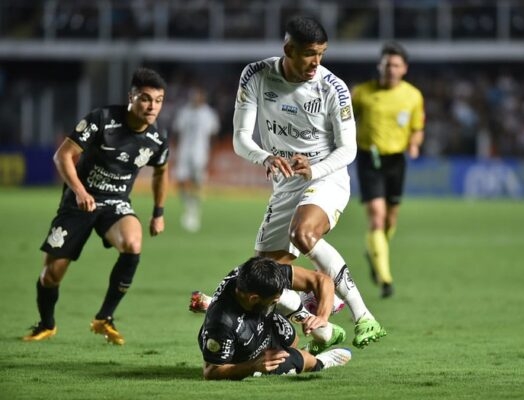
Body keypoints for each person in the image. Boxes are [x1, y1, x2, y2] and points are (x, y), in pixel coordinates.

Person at [232, 15, 386, 352]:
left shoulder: (333, 88)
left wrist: (314, 169)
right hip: (286, 183)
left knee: (303, 233)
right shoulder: (256, 75)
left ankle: (363, 316)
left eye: (322, 54)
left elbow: (348, 148)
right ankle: (319, 328)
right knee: (267, 276)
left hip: (325, 175)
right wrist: (266, 158)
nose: (316, 62)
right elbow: (241, 138)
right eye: (309, 54)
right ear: (288, 49)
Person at [22, 67, 169, 345]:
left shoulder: (157, 139)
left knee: (133, 243)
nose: (152, 106)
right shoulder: (102, 120)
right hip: (79, 204)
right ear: (131, 97)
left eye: (158, 100)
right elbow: (63, 155)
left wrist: (158, 213)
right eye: (146, 99)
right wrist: (78, 190)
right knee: (51, 275)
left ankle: (104, 318)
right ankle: (46, 324)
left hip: (115, 205)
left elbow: (161, 171)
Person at [198, 256, 351, 380]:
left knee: (291, 339)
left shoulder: (262, 273)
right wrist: (253, 365)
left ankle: (296, 352)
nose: (277, 301)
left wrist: (322, 316)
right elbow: (211, 372)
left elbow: (322, 280)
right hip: (241, 354)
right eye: (273, 300)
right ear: (254, 298)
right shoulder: (221, 323)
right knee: (305, 360)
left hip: (261, 321)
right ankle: (321, 362)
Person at [351, 41, 425, 298]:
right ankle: (385, 278)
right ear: (379, 66)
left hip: (396, 161)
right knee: (377, 216)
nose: (390, 69)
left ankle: (375, 252)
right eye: (386, 64)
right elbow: (343, 120)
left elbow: (417, 128)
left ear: (404, 68)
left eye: (395, 65)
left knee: (391, 219)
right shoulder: (361, 93)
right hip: (369, 158)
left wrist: (414, 144)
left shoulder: (413, 96)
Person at [171, 85, 220, 232]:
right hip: (184, 152)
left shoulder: (208, 114)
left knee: (197, 182)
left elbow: (213, 135)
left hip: (200, 152)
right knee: (180, 181)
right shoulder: (184, 112)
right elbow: (177, 132)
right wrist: (176, 151)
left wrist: (210, 154)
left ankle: (194, 211)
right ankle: (188, 206)